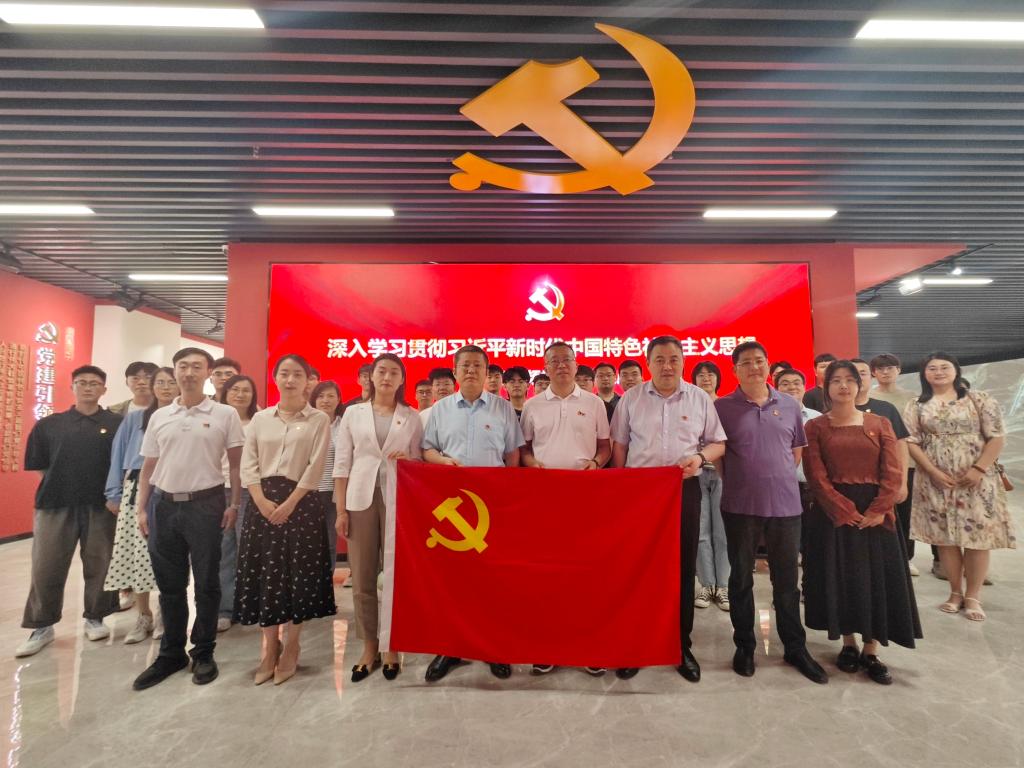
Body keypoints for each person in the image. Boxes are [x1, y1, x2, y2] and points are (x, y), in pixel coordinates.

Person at [610, 336, 726, 683]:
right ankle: (636, 644)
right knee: (638, 569)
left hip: (682, 489)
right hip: (639, 493)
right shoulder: (631, 398)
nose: (667, 366)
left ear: (683, 362)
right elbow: (620, 446)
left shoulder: (699, 397)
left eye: (674, 359)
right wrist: (621, 488)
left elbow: (718, 443)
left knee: (682, 567)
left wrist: (700, 458)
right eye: (659, 359)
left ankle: (680, 645)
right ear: (648, 363)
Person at [714, 342, 828, 685]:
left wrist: (773, 478)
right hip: (740, 505)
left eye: (759, 361)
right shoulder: (722, 407)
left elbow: (794, 452)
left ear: (768, 365)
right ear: (735, 370)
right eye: (746, 362)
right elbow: (720, 458)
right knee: (741, 579)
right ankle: (745, 646)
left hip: (785, 505)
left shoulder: (789, 405)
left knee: (787, 580)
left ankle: (795, 647)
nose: (754, 367)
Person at [802, 360, 922, 684]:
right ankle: (848, 643)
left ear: (859, 385)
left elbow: (893, 469)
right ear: (826, 388)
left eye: (849, 380)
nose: (843, 386)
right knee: (841, 577)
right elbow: (816, 475)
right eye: (836, 380)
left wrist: (879, 509)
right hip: (833, 514)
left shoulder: (880, 422)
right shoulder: (815, 427)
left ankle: (871, 649)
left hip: (876, 514)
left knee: (875, 578)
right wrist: (843, 509)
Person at [131, 348, 244, 690]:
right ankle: (171, 654)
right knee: (170, 586)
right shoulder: (160, 415)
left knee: (207, 584)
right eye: (183, 366)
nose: (189, 372)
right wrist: (141, 507)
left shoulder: (224, 414)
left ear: (208, 372)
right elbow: (148, 466)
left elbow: (236, 465)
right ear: (175, 371)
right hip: (163, 506)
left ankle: (204, 651)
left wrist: (234, 505)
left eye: (197, 366)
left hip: (206, 505)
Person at [421, 344, 525, 682]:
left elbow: (512, 454)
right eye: (464, 365)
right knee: (452, 579)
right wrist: (443, 461)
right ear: (455, 371)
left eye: (477, 366)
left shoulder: (502, 408)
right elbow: (427, 449)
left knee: (492, 579)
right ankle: (450, 647)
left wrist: (507, 493)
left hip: (492, 504)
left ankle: (493, 647)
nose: (470, 371)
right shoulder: (440, 409)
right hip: (452, 505)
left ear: (486, 372)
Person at [235, 354, 335, 686]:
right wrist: (260, 501)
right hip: (261, 503)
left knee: (297, 576)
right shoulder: (260, 419)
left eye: (297, 375)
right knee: (266, 574)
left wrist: (290, 503)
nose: (290, 380)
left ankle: (292, 645)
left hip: (301, 504)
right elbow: (248, 463)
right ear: (275, 378)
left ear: (308, 381)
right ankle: (269, 649)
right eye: (284, 374)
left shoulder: (318, 419)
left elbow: (316, 466)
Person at [16, 365, 122, 658]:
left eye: (94, 383)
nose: (88, 387)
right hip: (55, 504)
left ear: (104, 389)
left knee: (100, 563)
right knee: (46, 566)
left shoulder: (117, 423)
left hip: (101, 505)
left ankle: (96, 617)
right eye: (82, 382)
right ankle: (41, 625)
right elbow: (40, 465)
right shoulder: (49, 425)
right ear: (72, 387)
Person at [521, 342, 611, 676]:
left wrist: (596, 463)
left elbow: (605, 447)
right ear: (545, 367)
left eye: (566, 360)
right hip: (545, 499)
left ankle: (589, 644)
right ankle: (548, 645)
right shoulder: (532, 406)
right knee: (547, 572)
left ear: (576, 365)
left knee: (587, 572)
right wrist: (532, 464)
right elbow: (524, 449)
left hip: (585, 498)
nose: (561, 365)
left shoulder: (594, 403)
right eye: (554, 361)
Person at [334, 354, 423, 683]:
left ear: (402, 380)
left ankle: (392, 646)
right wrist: (340, 510)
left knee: (396, 575)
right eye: (381, 371)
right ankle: (369, 646)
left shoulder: (411, 416)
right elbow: (342, 462)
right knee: (362, 576)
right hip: (359, 499)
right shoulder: (353, 413)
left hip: (398, 499)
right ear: (370, 377)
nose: (386, 377)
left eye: (394, 372)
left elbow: (419, 459)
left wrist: (408, 458)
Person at [905, 352, 1013, 622]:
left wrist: (979, 469)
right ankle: (955, 592)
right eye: (932, 368)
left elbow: (997, 437)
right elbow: (911, 441)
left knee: (978, 537)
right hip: (935, 479)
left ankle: (973, 595)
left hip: (977, 479)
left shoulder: (979, 399)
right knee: (945, 537)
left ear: (956, 370)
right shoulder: (917, 404)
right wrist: (932, 471)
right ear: (924, 374)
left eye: (944, 367)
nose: (938, 372)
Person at [103, 366, 178, 645]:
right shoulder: (135, 419)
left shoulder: (184, 417)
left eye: (171, 382)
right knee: (138, 555)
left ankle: (164, 614)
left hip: (172, 487)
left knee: (170, 555)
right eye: (161, 382)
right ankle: (143, 613)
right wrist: (114, 493)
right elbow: (118, 455)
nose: (166, 388)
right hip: (137, 491)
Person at [851, 359, 913, 573]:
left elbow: (900, 445)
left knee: (884, 541)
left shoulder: (886, 409)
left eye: (862, 373)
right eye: (851, 374)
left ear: (871, 376)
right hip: (848, 487)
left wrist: (902, 482)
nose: (857, 378)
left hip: (883, 486)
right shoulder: (833, 410)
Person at [869, 353, 922, 576]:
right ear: (873, 373)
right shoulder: (868, 396)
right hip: (877, 463)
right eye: (880, 369)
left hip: (907, 461)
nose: (885, 372)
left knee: (905, 510)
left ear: (898, 370)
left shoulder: (912, 398)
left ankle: (906, 557)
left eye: (890, 368)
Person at [214, 373, 259, 632]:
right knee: (224, 550)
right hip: (218, 490)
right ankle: (225, 609)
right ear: (225, 393)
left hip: (250, 491)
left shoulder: (259, 421)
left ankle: (248, 605)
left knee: (248, 549)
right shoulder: (215, 419)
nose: (240, 395)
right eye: (235, 390)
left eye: (246, 390)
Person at [774, 368, 822, 579]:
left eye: (796, 383)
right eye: (785, 383)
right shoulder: (770, 417)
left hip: (810, 489)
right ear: (776, 388)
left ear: (804, 387)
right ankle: (786, 588)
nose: (791, 387)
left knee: (812, 544)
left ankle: (811, 588)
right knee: (785, 547)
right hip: (781, 489)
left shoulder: (817, 418)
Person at [690, 361, 729, 612]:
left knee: (722, 532)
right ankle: (706, 584)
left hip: (722, 475)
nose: (706, 378)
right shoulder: (690, 403)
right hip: (696, 474)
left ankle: (723, 586)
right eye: (700, 375)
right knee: (700, 531)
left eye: (710, 374)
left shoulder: (725, 405)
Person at [311, 379, 345, 571]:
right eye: (321, 396)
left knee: (329, 543)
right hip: (308, 492)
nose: (325, 400)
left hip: (334, 493)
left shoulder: (345, 424)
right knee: (309, 542)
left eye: (331, 396)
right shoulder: (306, 423)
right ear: (314, 400)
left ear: (338, 399)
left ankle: (326, 586)